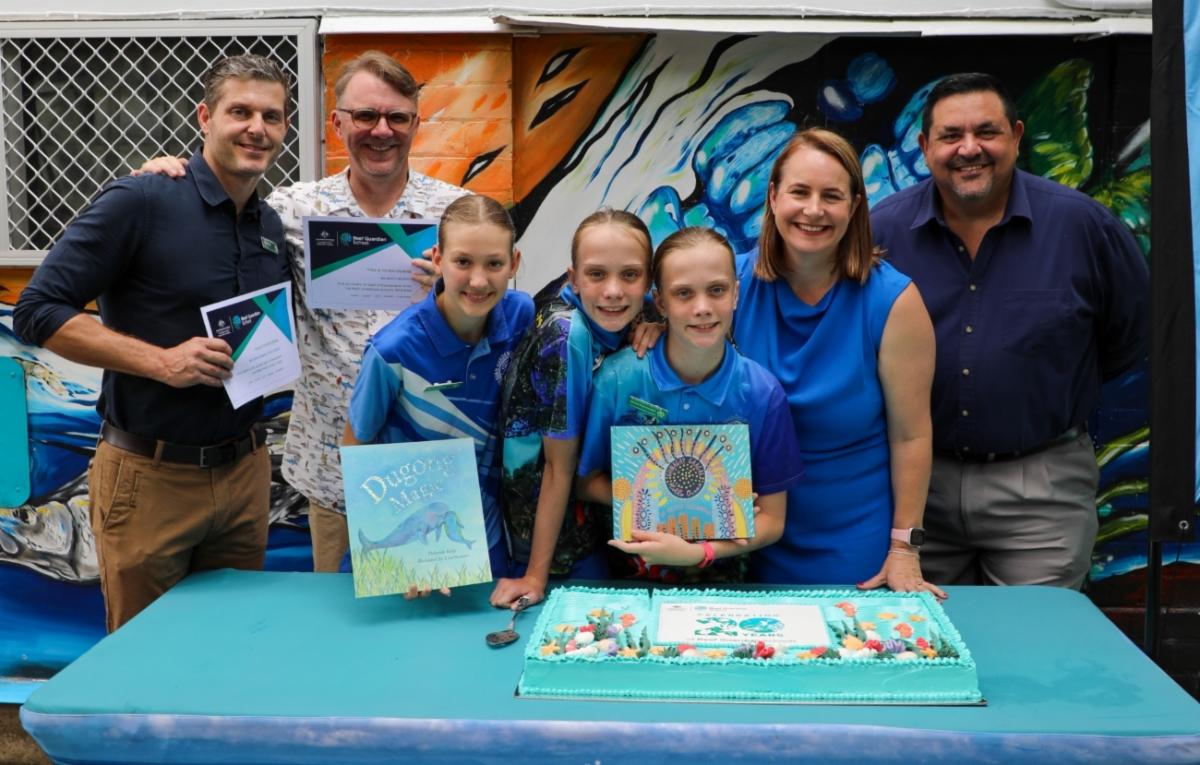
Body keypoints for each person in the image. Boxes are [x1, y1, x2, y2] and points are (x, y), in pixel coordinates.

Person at [138, 51, 468, 572]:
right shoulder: (292, 210)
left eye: (397, 117)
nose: (381, 131)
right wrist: (166, 182)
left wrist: (454, 293)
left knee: (429, 608)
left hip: (430, 465)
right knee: (335, 614)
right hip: (331, 470)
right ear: (337, 124)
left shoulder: (457, 214)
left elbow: (498, 320)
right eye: (365, 116)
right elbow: (221, 215)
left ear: (415, 124)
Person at [13, 54, 293, 631]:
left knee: (230, 647)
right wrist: (161, 362)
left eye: (272, 116)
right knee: (142, 659)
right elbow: (37, 311)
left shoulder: (268, 225)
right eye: (240, 112)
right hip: (151, 477)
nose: (257, 128)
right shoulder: (141, 201)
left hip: (244, 476)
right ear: (205, 118)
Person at [870, 73, 1149, 589]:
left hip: (1042, 490)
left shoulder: (1083, 227)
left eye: (987, 132)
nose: (969, 148)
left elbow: (1127, 337)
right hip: (913, 492)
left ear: (1016, 137)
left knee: (1036, 637)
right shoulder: (882, 234)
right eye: (951, 135)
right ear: (925, 146)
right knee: (916, 634)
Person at [732, 128, 944, 598]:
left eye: (831, 196)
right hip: (743, 537)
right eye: (799, 192)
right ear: (773, 197)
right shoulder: (729, 286)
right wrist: (650, 328)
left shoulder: (894, 302)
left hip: (851, 541)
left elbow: (911, 437)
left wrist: (904, 548)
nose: (813, 210)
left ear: (855, 206)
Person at [576, 227, 803, 581]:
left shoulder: (762, 394)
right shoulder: (617, 380)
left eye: (717, 290)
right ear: (660, 302)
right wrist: (667, 503)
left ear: (736, 294)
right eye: (683, 293)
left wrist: (699, 553)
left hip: (723, 588)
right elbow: (584, 482)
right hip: (623, 584)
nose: (702, 308)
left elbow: (773, 520)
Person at [343, 194, 534, 592]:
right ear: (437, 259)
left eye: (494, 264)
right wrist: (404, 561)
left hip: (486, 540)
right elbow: (356, 445)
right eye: (463, 262)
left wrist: (650, 324)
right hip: (411, 546)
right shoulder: (392, 350)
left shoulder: (521, 315)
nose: (478, 281)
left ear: (514, 263)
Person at [491, 209, 654, 609]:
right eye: (597, 274)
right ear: (573, 278)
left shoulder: (627, 314)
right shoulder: (567, 336)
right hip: (556, 542)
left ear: (649, 282)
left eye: (630, 275)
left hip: (591, 524)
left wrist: (660, 324)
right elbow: (557, 467)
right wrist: (536, 575)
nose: (613, 290)